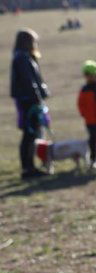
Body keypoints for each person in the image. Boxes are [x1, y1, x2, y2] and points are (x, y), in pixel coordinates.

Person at [10, 29, 49, 179]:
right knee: (30, 133)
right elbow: (28, 81)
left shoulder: (25, 57)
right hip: (28, 101)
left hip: (29, 99)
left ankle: (30, 165)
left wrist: (43, 91)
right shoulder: (22, 58)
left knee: (32, 133)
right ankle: (28, 168)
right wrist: (37, 97)